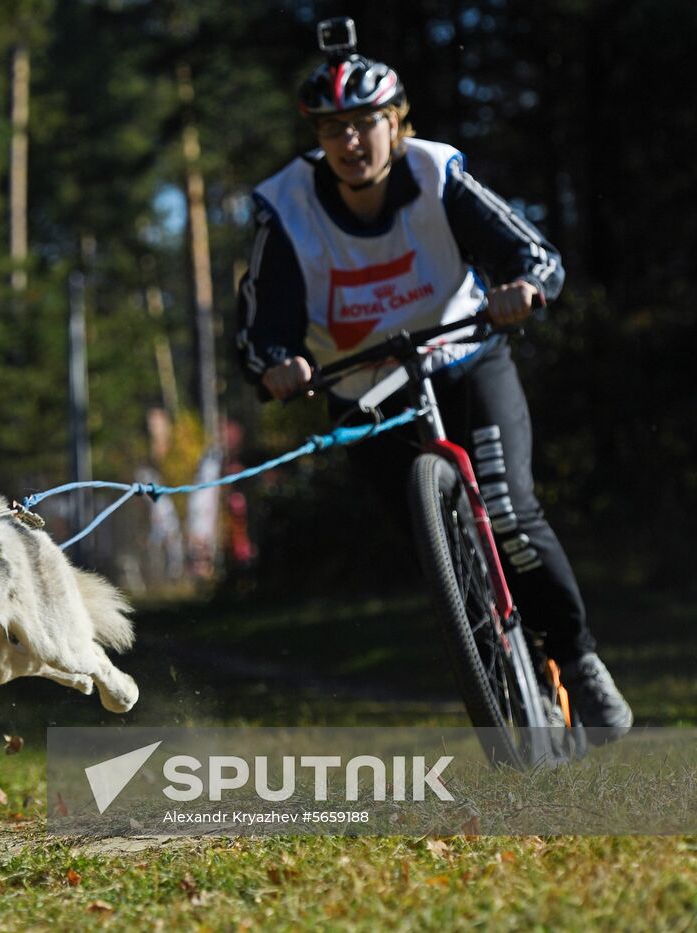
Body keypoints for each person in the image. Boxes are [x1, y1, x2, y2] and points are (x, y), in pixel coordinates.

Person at [233, 18, 632, 741]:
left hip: (465, 360)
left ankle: (578, 661)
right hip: (366, 392)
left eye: (365, 125)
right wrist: (276, 364)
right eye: (333, 131)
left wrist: (523, 287)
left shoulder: (435, 172)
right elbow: (261, 326)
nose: (351, 144)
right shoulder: (285, 209)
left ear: (396, 122)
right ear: (317, 138)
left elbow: (531, 250)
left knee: (506, 509)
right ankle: (503, 678)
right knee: (438, 547)